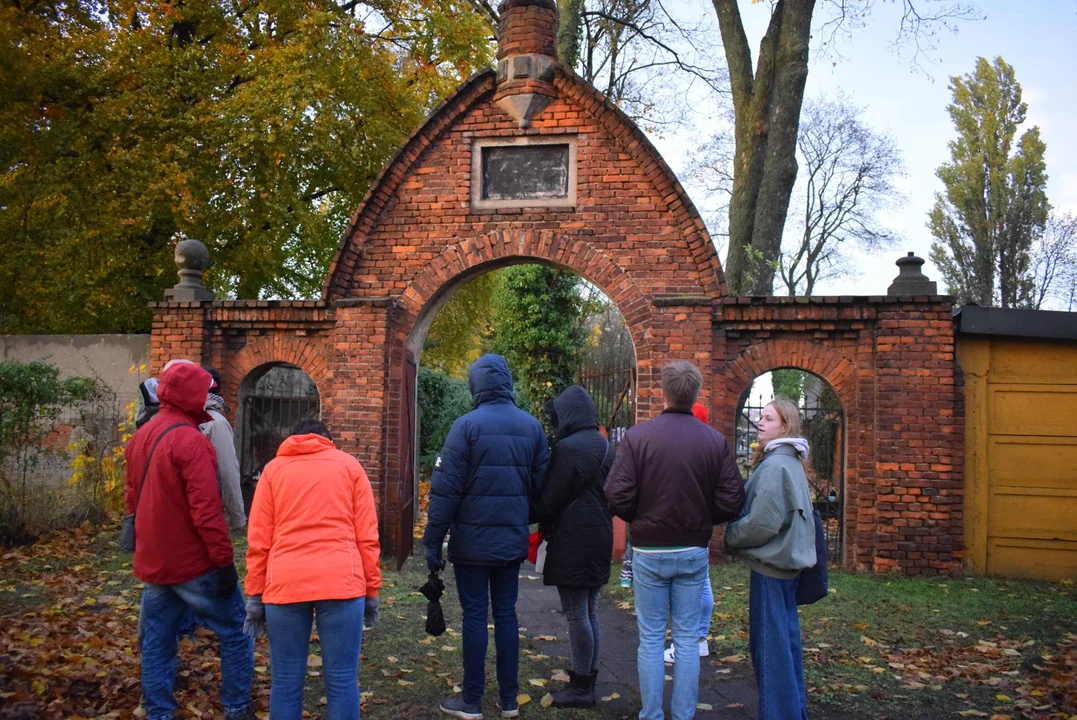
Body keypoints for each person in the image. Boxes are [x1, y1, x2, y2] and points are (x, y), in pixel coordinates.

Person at [605, 361, 744, 720]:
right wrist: (700, 518)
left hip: (650, 549)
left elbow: (616, 495)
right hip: (693, 550)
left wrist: (642, 515)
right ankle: (683, 716)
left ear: (663, 392)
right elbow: (732, 499)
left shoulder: (639, 437)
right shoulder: (713, 440)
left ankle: (651, 715)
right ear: (695, 393)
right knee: (685, 640)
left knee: (651, 638)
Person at [422, 354, 550, 720]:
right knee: (507, 614)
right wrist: (520, 516)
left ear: (476, 384)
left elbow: (445, 492)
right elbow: (541, 488)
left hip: (471, 543)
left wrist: (433, 542)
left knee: (475, 614)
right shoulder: (531, 428)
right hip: (509, 540)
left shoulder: (465, 427)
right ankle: (509, 699)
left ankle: (472, 700)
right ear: (507, 382)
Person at [124, 361, 253, 720]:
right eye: (203, 390)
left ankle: (158, 712)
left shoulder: (141, 437)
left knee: (157, 642)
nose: (208, 396)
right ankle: (237, 707)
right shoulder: (191, 440)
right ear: (191, 394)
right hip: (193, 562)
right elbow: (206, 513)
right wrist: (224, 563)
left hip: (155, 562)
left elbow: (131, 499)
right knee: (236, 631)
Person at [243, 419, 381, 720]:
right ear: (328, 441)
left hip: (285, 583)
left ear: (291, 439)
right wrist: (371, 590)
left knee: (285, 680)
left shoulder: (273, 471)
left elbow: (258, 539)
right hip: (342, 581)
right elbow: (367, 537)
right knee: (343, 678)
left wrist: (254, 594)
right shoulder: (350, 467)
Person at [725, 398, 817, 720]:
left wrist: (730, 536)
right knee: (786, 646)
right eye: (761, 418)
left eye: (769, 419)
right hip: (785, 569)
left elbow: (762, 522)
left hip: (771, 569)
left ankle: (780, 714)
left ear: (785, 426)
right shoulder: (789, 461)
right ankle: (794, 711)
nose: (761, 423)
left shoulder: (777, 465)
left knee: (771, 651)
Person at [532, 386, 614, 708]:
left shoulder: (567, 449)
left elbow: (549, 500)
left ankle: (581, 687)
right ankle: (588, 676)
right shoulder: (608, 447)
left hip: (572, 540)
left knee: (576, 613)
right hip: (601, 537)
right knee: (591, 608)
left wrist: (530, 508)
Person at [664, 401, 717, 665]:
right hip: (699, 526)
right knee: (701, 582)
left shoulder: (689, 450)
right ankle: (698, 639)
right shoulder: (709, 448)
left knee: (691, 586)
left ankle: (693, 641)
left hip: (685, 529)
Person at [200, 367, 246, 531]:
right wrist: (238, 518)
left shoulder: (170, 418)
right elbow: (227, 471)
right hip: (206, 510)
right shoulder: (216, 422)